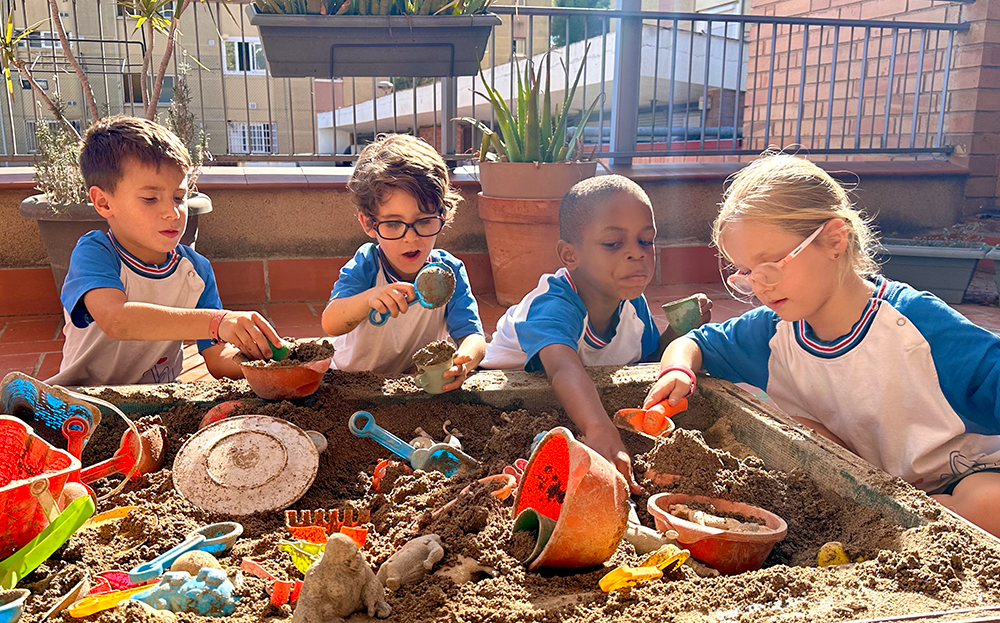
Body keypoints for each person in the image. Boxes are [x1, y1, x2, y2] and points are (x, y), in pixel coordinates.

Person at [645, 152, 1000, 536]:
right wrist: (678, 368)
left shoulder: (915, 323)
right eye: (746, 273)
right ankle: (899, 521)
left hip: (961, 475)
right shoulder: (773, 332)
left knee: (987, 503)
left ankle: (920, 522)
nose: (760, 287)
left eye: (771, 266)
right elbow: (695, 342)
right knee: (793, 432)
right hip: (871, 486)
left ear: (834, 239)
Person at [481, 175, 711, 491]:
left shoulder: (634, 306)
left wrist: (678, 330)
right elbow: (562, 368)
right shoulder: (552, 304)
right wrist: (599, 428)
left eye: (646, 240)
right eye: (613, 244)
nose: (637, 253)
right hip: (498, 414)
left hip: (575, 409)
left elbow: (646, 365)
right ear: (570, 255)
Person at [48, 115, 281, 387]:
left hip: (160, 401)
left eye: (179, 198)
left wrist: (267, 361)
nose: (172, 213)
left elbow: (217, 359)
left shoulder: (196, 270)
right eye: (150, 198)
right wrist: (218, 321)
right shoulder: (95, 253)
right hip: (84, 402)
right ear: (103, 202)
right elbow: (117, 320)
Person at [321, 134, 485, 387]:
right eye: (394, 223)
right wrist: (368, 299)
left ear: (443, 214)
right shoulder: (368, 264)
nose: (411, 238)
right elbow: (331, 322)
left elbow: (473, 336)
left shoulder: (448, 273)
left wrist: (465, 360)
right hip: (349, 383)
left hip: (411, 385)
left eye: (424, 221)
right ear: (368, 223)